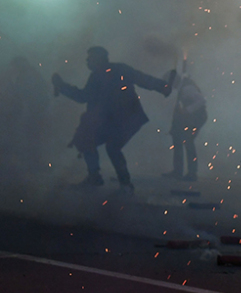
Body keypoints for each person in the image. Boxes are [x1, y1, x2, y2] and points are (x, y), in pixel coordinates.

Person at [52, 46, 175, 194]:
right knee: (87, 141)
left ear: (98, 59)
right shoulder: (106, 73)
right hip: (113, 120)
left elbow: (83, 97)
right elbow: (141, 79)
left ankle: (124, 184)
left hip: (127, 119)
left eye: (90, 58)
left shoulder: (112, 72)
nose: (87, 61)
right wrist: (163, 87)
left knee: (112, 147)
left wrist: (163, 87)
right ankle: (96, 177)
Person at [162, 71, 207, 182]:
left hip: (197, 117)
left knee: (188, 141)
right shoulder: (182, 86)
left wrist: (187, 110)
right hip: (189, 118)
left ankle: (192, 173)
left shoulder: (187, 88)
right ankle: (178, 171)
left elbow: (201, 100)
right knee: (177, 139)